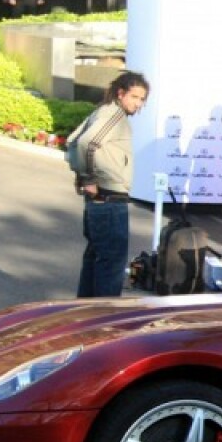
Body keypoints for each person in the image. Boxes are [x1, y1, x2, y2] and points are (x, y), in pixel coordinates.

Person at [67, 71, 149, 298]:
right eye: (134, 97)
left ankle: (85, 314)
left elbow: (72, 142)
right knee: (111, 264)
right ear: (121, 93)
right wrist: (87, 178)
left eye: (142, 99)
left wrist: (82, 177)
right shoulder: (114, 115)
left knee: (96, 257)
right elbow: (85, 143)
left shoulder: (102, 112)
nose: (138, 104)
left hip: (102, 199)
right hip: (109, 199)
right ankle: (105, 321)